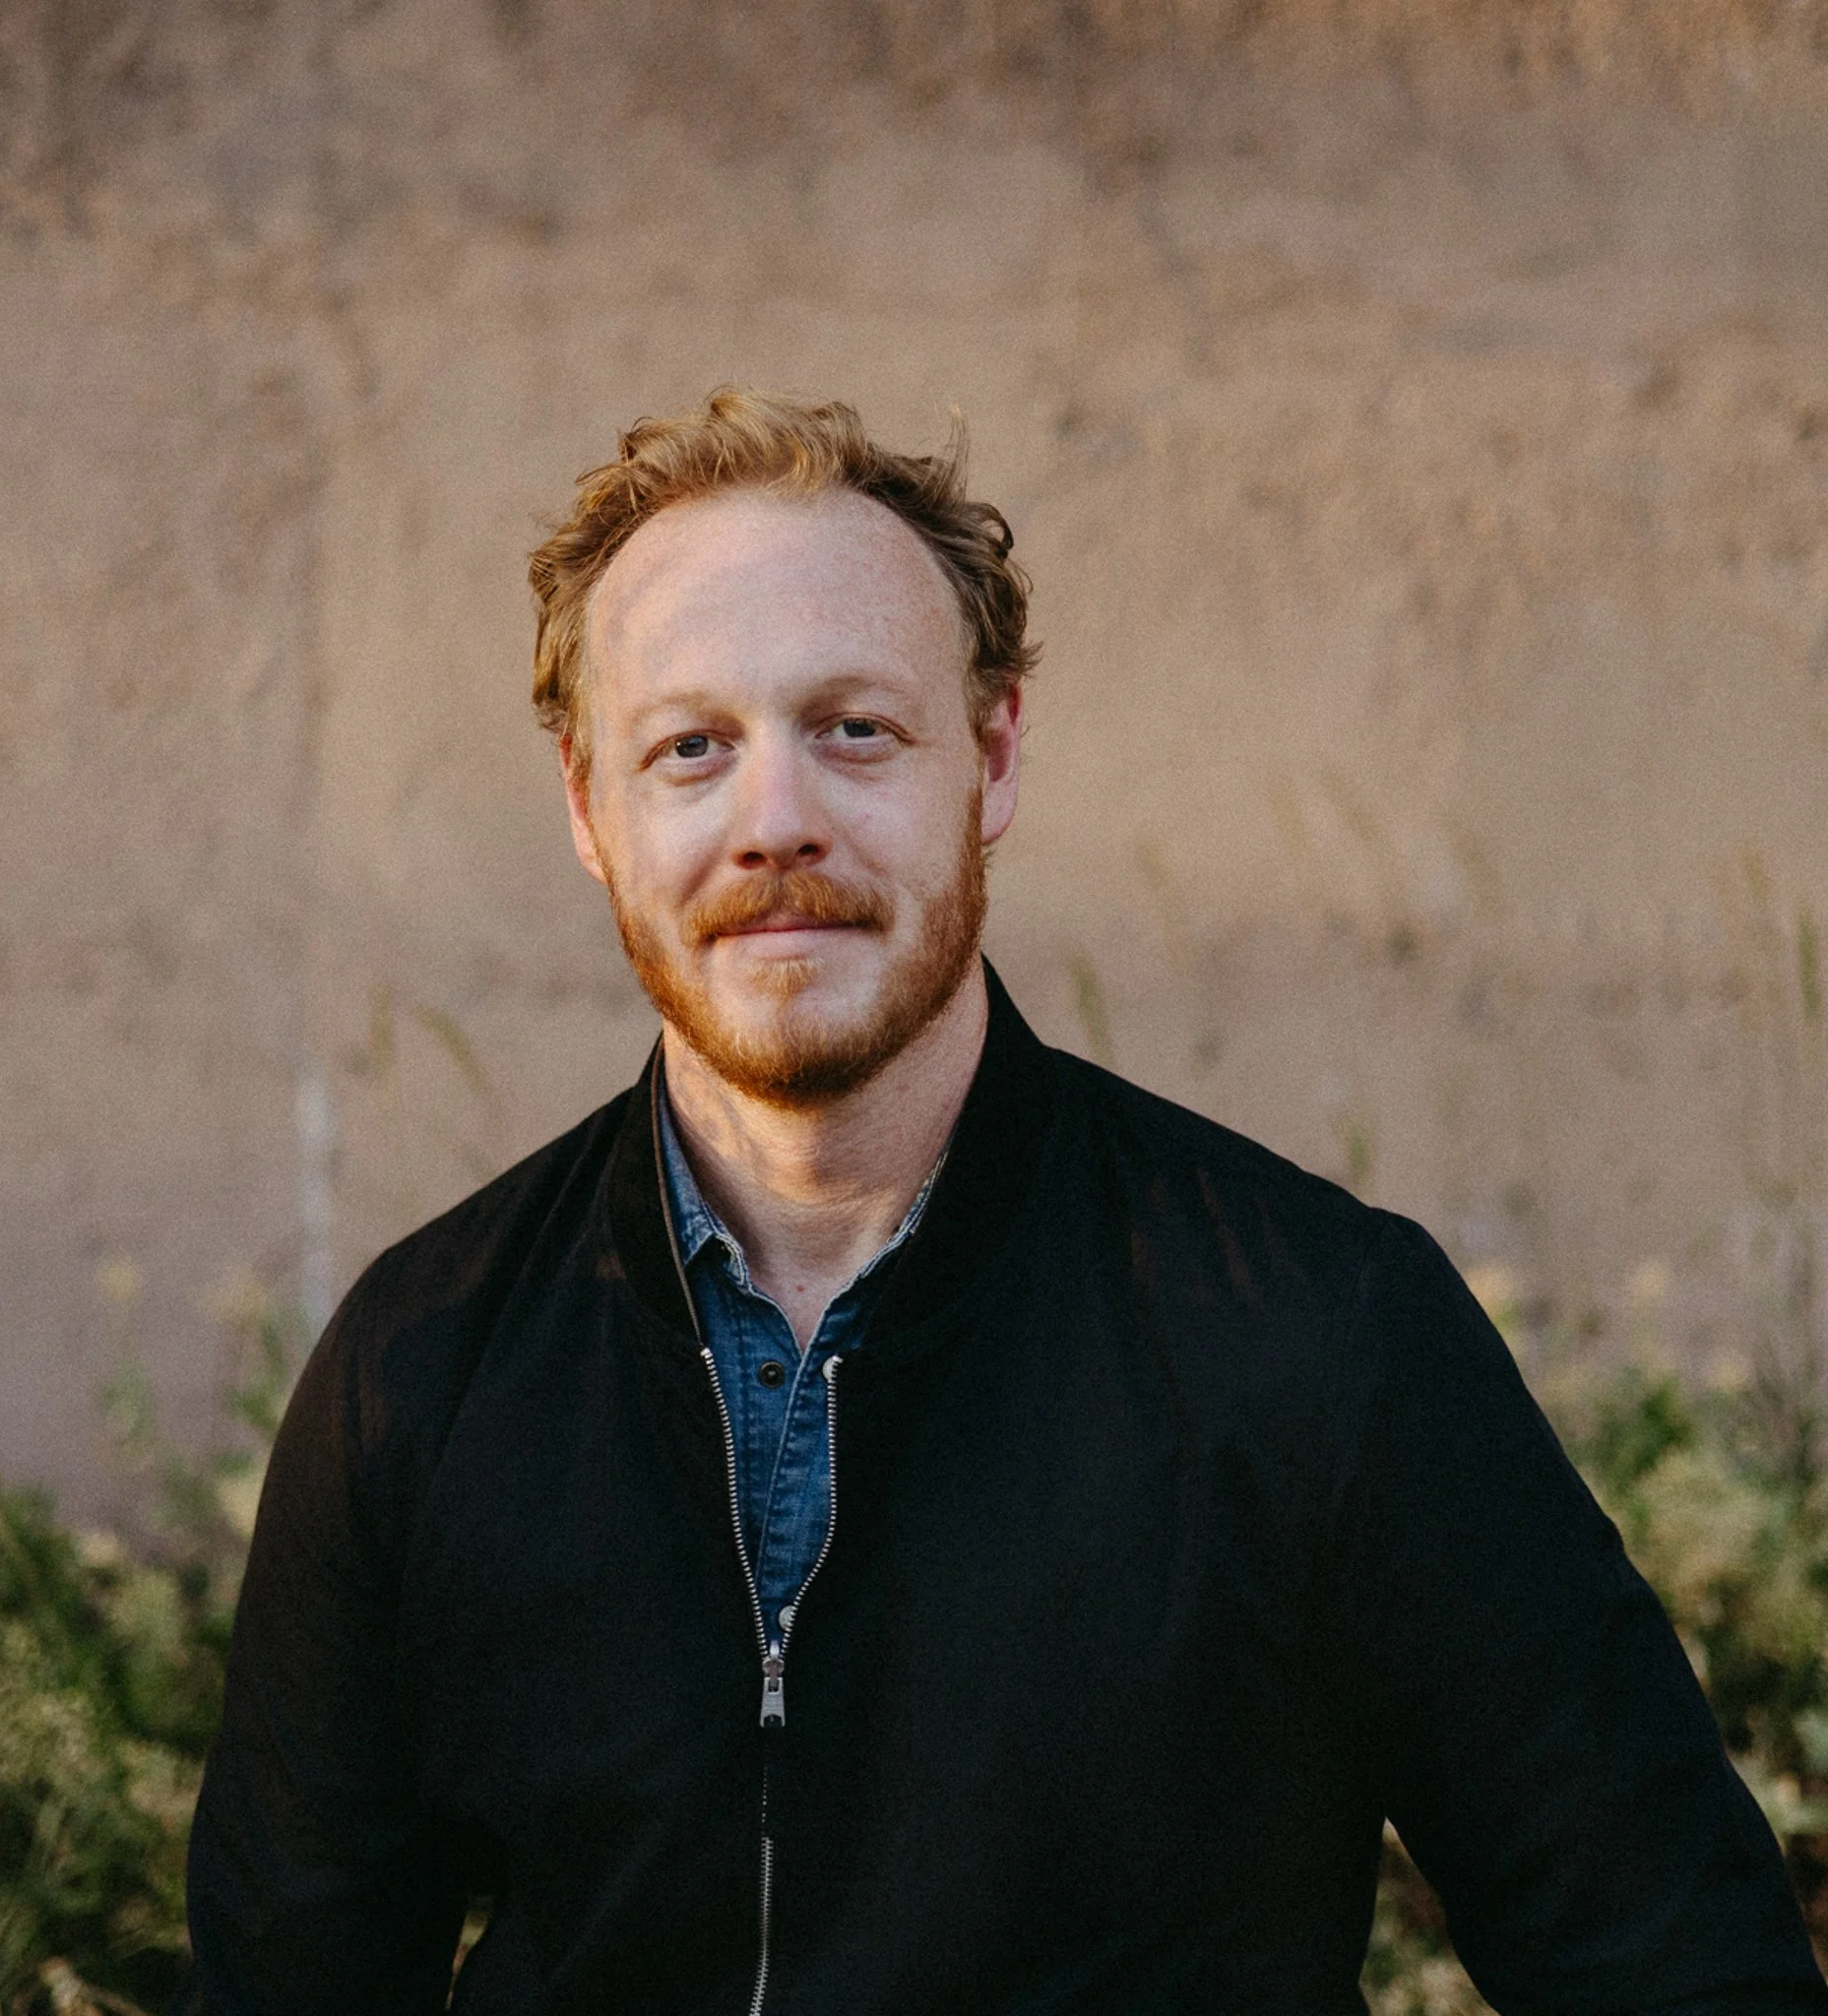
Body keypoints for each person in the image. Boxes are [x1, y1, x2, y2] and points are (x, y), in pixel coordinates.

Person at [177, 389, 1827, 2015]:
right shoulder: (424, 1371)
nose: (776, 822)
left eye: (855, 730)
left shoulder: (1321, 1340)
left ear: (994, 753)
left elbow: (1678, 1969)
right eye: (692, 748)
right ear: (589, 812)